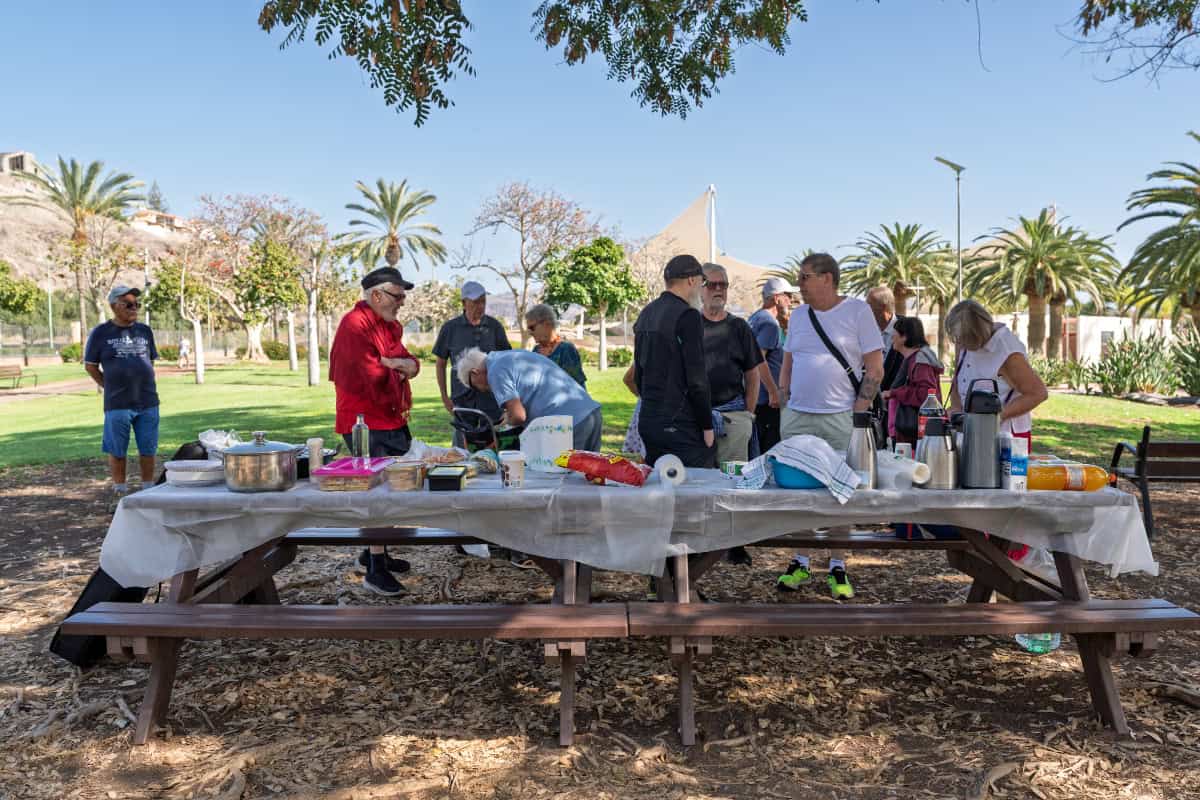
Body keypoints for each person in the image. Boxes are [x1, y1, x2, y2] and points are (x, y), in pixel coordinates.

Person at [776, 253, 884, 599]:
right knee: (798, 493)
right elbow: (788, 361)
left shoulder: (857, 312)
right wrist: (784, 397)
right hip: (798, 416)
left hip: (840, 418)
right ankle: (800, 560)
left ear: (827, 278)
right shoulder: (799, 316)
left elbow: (875, 367)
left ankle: (838, 565)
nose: (799, 284)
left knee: (841, 492)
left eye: (804, 277)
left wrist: (859, 409)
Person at [329, 267, 422, 596]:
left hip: (391, 416)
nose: (402, 302)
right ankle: (375, 570)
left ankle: (373, 552)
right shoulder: (354, 325)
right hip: (364, 422)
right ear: (377, 295)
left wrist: (394, 363)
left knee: (394, 489)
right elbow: (373, 375)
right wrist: (395, 365)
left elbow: (411, 363)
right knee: (377, 493)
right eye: (398, 295)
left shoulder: (388, 326)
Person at [633, 254, 714, 469]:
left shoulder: (647, 313)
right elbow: (697, 378)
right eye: (702, 283)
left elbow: (638, 373)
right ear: (692, 280)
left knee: (657, 484)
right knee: (695, 485)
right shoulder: (688, 315)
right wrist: (707, 425)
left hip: (649, 420)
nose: (701, 290)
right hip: (680, 424)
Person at [84, 285, 160, 511]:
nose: (134, 308)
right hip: (117, 404)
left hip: (148, 401)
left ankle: (148, 492)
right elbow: (90, 366)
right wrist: (109, 386)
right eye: (128, 304)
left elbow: (150, 361)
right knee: (117, 451)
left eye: (137, 304)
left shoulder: (145, 331)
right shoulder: (100, 333)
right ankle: (120, 493)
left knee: (148, 449)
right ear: (114, 306)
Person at [945, 299, 1048, 452]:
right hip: (971, 430)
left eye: (963, 339)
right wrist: (956, 409)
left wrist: (996, 417)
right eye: (957, 340)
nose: (960, 344)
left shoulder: (1007, 351)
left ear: (976, 334)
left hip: (1006, 436)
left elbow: (1038, 393)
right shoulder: (963, 340)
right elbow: (958, 376)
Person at [457, 347, 603, 451]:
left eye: (474, 386)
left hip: (569, 424)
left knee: (566, 481)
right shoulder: (506, 356)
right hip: (590, 412)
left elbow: (518, 416)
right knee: (591, 479)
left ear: (475, 372)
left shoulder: (494, 372)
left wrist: (502, 427)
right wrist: (508, 415)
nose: (481, 390)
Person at [434, 281, 512, 441]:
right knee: (462, 446)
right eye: (476, 302)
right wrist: (444, 396)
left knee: (493, 444)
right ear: (464, 303)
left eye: (483, 301)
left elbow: (507, 361)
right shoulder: (450, 328)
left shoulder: (494, 327)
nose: (480, 306)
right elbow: (440, 363)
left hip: (491, 399)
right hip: (461, 399)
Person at [700, 263, 763, 463]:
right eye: (712, 285)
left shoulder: (739, 327)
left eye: (724, 285)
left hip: (733, 419)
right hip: (694, 420)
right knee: (696, 479)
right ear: (700, 288)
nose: (719, 289)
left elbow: (753, 374)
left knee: (733, 480)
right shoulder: (689, 325)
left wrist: (748, 415)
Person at [748, 276, 798, 452]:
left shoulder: (755, 317)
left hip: (757, 398)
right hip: (767, 402)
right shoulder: (769, 323)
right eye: (788, 296)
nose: (791, 300)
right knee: (770, 452)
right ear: (777, 298)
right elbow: (758, 358)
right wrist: (773, 391)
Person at [880, 316, 944, 446]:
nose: (892, 338)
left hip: (915, 436)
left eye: (894, 334)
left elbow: (927, 395)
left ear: (904, 337)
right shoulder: (912, 359)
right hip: (908, 434)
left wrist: (894, 393)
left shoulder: (920, 361)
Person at [526, 303, 586, 387]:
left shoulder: (566, 349)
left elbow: (576, 387)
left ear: (547, 324)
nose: (530, 332)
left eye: (532, 328)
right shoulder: (536, 350)